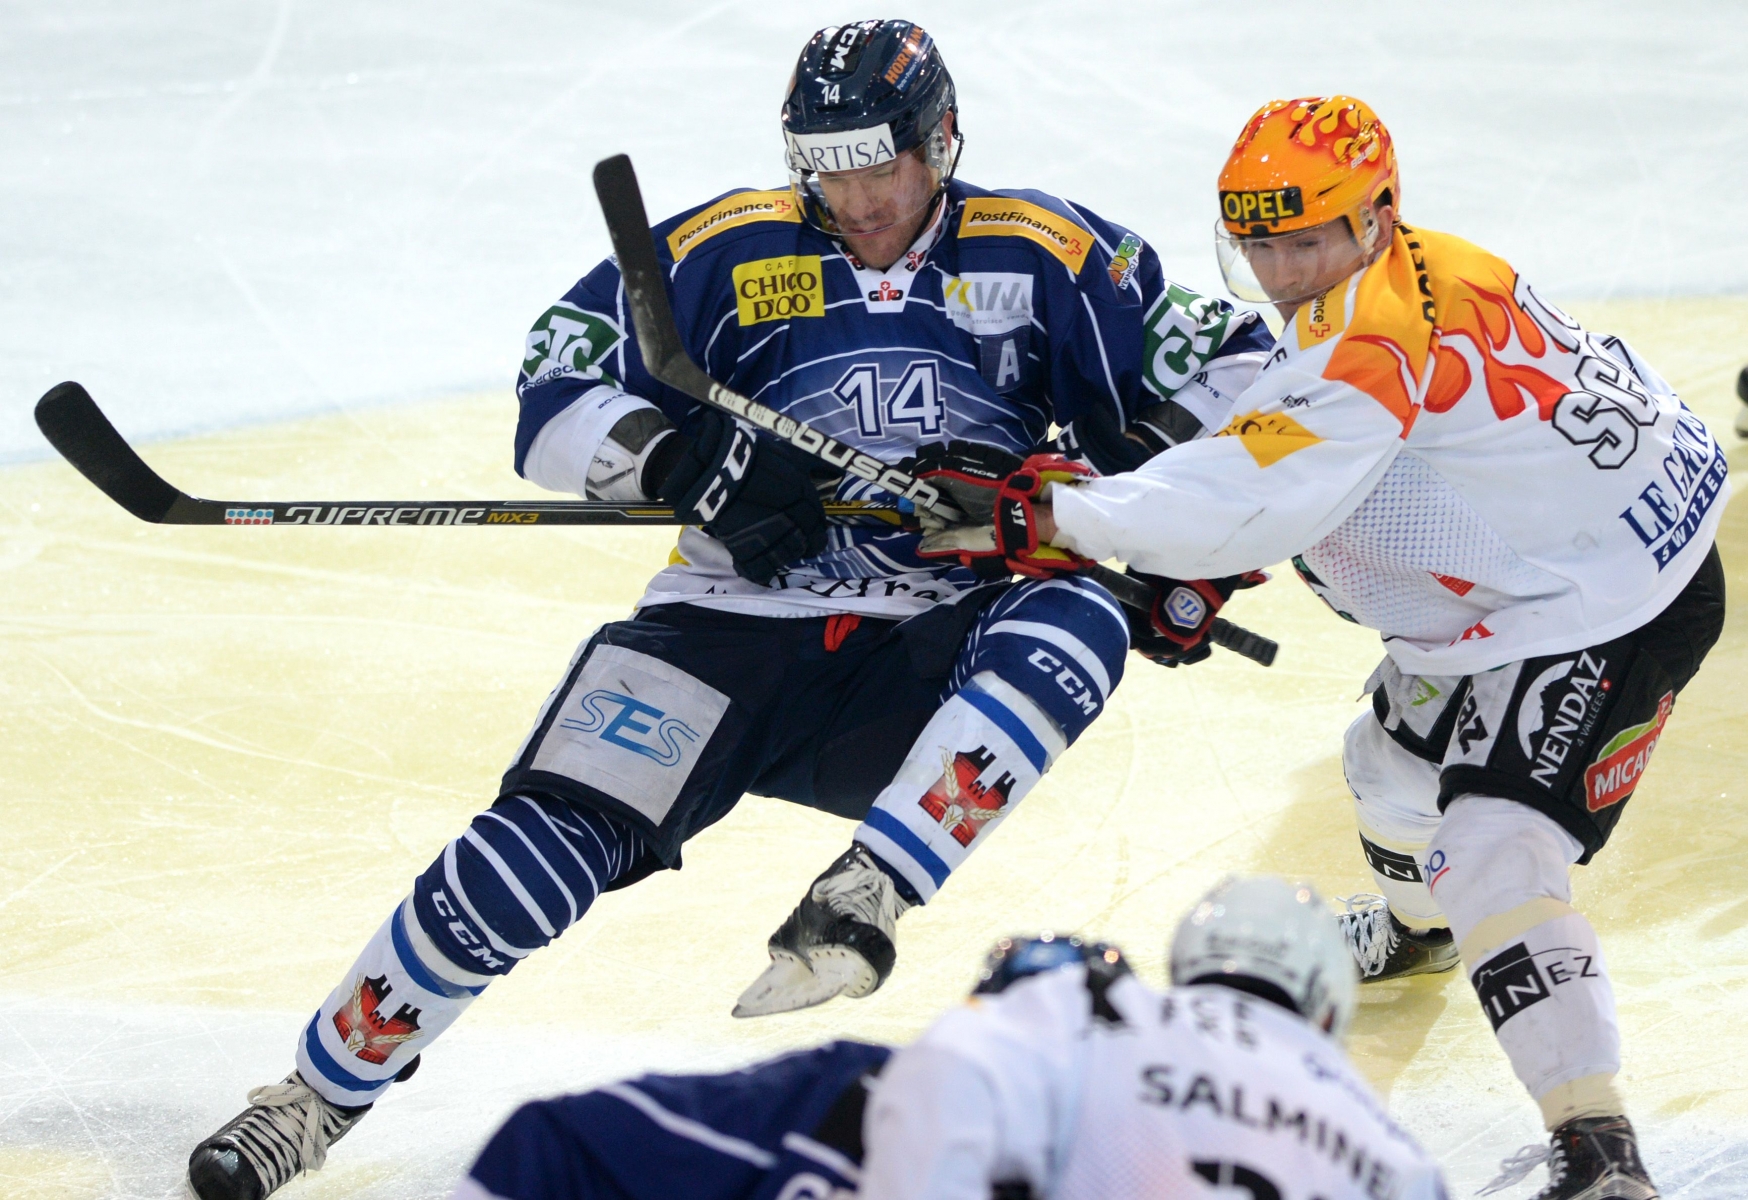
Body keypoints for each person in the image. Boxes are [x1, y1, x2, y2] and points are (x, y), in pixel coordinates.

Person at [185, 19, 1272, 1200]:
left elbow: (1243, 372)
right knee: (526, 859)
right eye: (825, 162)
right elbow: (554, 382)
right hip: (726, 623)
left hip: (931, 648)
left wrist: (1112, 503)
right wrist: (670, 461)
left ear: (939, 139)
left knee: (1078, 618)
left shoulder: (1048, 251)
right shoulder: (727, 244)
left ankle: (868, 893)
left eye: (876, 161)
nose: (851, 194)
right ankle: (307, 1100)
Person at [958, 96, 1724, 1198]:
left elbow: (1263, 485)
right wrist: (1203, 559)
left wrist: (1062, 515)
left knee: (1493, 843)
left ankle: (1598, 1148)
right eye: (1256, 244)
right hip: (1544, 574)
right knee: (1384, 772)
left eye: (1301, 240)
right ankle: (1421, 933)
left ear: (1373, 216)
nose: (1278, 273)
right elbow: (1338, 470)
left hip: (1609, 605)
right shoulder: (1403, 275)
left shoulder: (1368, 332)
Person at [448, 877, 1447, 1200]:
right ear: (1328, 1009)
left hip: (911, 1157)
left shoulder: (1103, 1000)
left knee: (559, 1146)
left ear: (1190, 961)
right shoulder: (1399, 1161)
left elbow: (950, 1082)